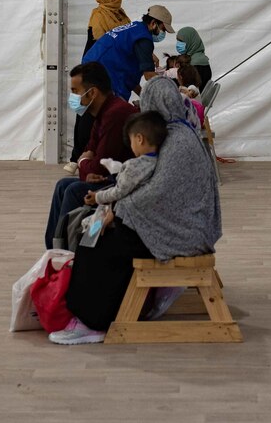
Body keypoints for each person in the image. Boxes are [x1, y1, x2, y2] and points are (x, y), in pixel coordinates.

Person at [49, 77, 222, 345]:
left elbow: (157, 192)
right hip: (182, 226)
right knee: (101, 240)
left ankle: (93, 322)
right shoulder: (178, 133)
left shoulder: (177, 141)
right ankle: (102, 313)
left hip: (182, 234)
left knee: (96, 246)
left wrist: (116, 210)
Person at [44, 62, 137, 249]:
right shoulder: (102, 112)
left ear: (92, 92)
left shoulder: (116, 114)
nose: (73, 97)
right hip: (110, 177)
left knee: (73, 190)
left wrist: (84, 161)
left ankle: (66, 252)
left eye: (75, 91)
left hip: (121, 182)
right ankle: (54, 247)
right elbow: (90, 151)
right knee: (63, 185)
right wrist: (87, 162)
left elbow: (95, 166)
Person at [64, 0, 131, 174]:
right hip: (96, 67)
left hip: (116, 69)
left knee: (108, 113)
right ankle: (77, 157)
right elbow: (99, 43)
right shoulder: (99, 14)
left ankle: (98, 157)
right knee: (86, 113)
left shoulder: (123, 16)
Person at [82, 5, 175, 101]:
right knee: (112, 111)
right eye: (163, 29)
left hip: (91, 67)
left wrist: (145, 98)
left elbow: (130, 79)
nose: (163, 33)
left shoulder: (135, 29)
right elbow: (149, 75)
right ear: (153, 23)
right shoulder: (143, 38)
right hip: (102, 74)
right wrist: (171, 85)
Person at [83, 111, 166, 207]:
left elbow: (118, 191)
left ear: (139, 139)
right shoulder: (159, 161)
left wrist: (97, 197)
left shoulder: (134, 165)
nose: (131, 145)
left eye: (131, 140)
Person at [175, 27, 212, 91]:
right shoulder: (200, 59)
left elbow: (188, 87)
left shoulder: (195, 63)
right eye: (177, 40)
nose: (178, 44)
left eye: (181, 41)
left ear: (190, 41)